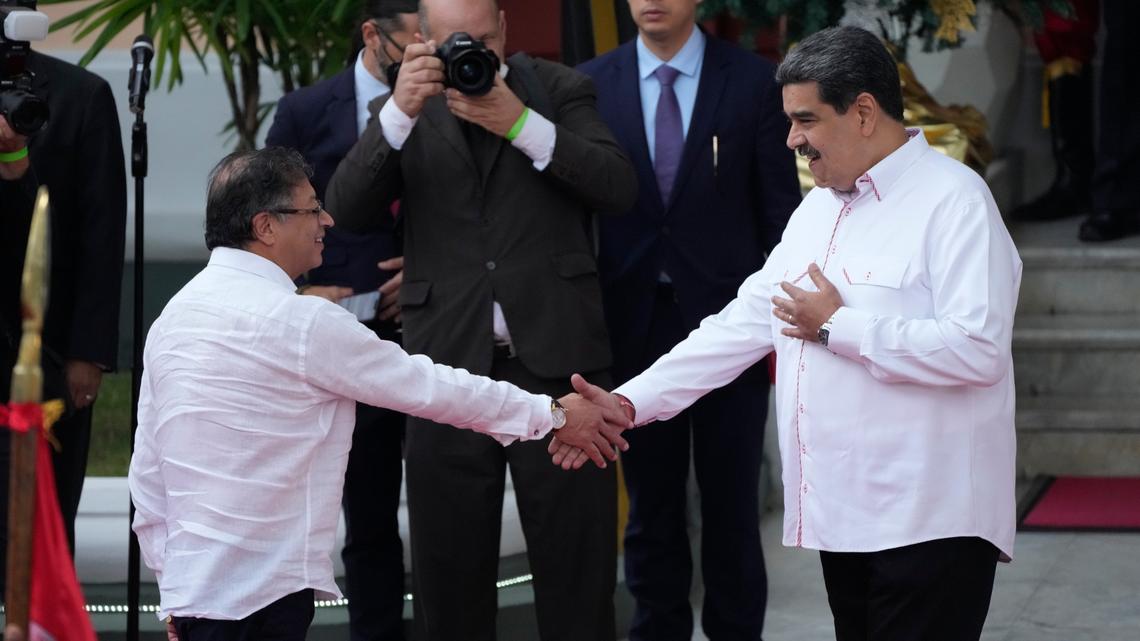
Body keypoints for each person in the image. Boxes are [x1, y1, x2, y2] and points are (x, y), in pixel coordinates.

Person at [554, 26, 1022, 641]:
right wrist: (628, 402)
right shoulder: (819, 208)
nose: (792, 139)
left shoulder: (955, 201)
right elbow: (742, 323)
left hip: (932, 519)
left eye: (805, 120)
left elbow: (977, 348)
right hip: (847, 518)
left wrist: (837, 327)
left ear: (862, 112)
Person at [128, 146, 630, 641]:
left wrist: (176, 589)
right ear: (265, 227)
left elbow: (147, 478)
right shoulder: (301, 322)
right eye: (311, 208)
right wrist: (552, 413)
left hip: (197, 599)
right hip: (262, 601)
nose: (326, 220)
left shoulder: (171, 319)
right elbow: (427, 386)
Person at [325, 0, 638, 637]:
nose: (469, 50)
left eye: (481, 37)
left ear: (504, 27)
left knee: (577, 574)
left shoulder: (557, 87)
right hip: (446, 368)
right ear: (421, 40)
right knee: (449, 574)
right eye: (450, 41)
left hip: (558, 366)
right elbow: (346, 209)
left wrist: (519, 122)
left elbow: (616, 186)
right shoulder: (402, 106)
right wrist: (399, 112)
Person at [576, 1, 800, 639]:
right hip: (632, 325)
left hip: (731, 327)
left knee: (733, 507)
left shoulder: (755, 80)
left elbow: (781, 212)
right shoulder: (590, 83)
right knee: (651, 508)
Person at [264, 2, 418, 638]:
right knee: (367, 507)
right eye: (413, 37)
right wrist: (301, 290)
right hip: (340, 335)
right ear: (372, 35)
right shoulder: (305, 109)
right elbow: (265, 213)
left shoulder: (451, 94)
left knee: (449, 504)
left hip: (439, 322)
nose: (425, 51)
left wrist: (430, 272)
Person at [0, 47, 126, 597]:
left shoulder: (81, 95)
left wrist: (88, 353)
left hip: (48, 353)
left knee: (42, 527)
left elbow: (101, 233)